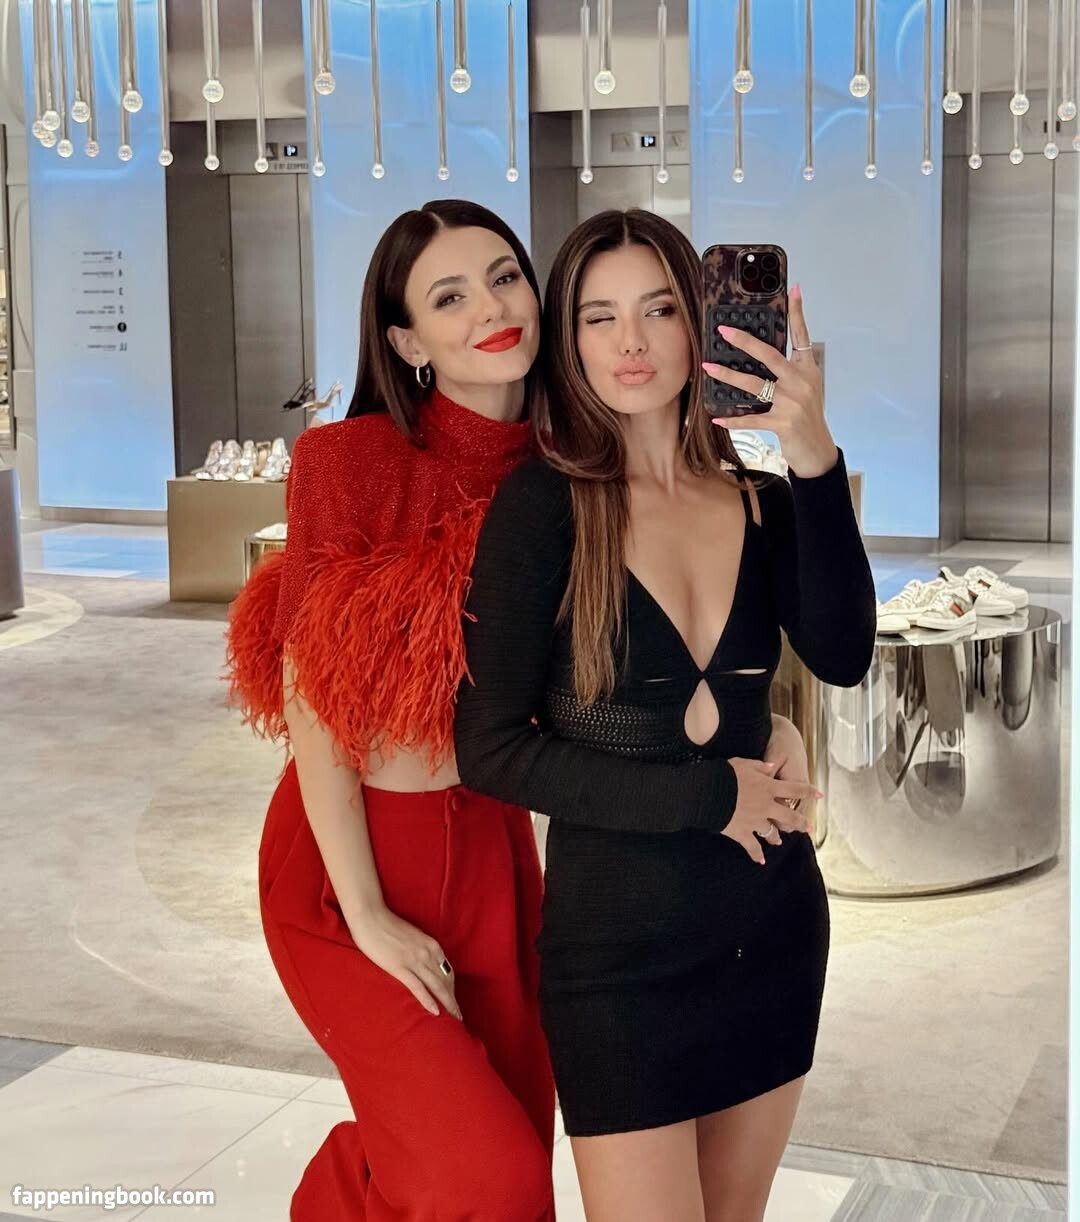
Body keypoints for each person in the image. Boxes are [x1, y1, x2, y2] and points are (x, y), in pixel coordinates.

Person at [454, 208, 876, 1222]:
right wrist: (706, 797)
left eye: (657, 310)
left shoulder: (762, 500)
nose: (631, 343)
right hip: (616, 956)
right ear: (570, 341)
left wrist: (812, 455)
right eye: (599, 317)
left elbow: (844, 653)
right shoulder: (543, 507)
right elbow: (490, 750)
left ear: (700, 323)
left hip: (771, 929)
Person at [226, 199, 557, 1221]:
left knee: (515, 1152)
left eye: (504, 277)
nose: (490, 308)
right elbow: (312, 694)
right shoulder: (348, 460)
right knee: (484, 1174)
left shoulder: (570, 471)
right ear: (408, 341)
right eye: (448, 297)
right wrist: (365, 912)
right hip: (349, 858)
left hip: (494, 851)